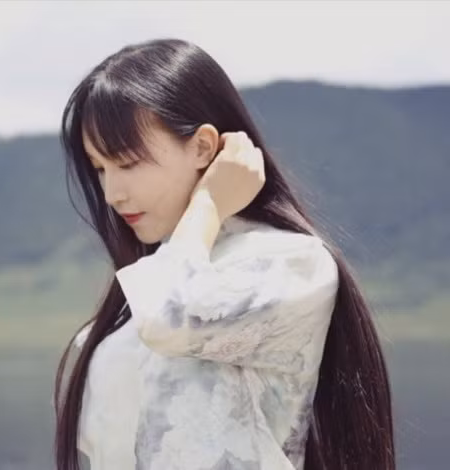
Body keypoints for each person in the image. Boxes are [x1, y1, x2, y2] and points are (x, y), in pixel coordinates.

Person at [54, 38, 395, 470]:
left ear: (202, 147)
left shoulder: (293, 264)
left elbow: (171, 318)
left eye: (127, 162)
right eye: (100, 168)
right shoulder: (144, 291)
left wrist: (209, 204)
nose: (112, 193)